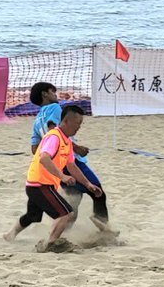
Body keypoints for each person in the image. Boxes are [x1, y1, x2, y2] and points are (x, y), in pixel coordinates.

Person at [5, 105, 102, 250]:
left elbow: (72, 166)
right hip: (39, 184)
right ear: (67, 121)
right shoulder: (54, 137)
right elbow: (44, 158)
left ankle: (9, 235)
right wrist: (62, 176)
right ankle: (50, 243)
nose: (79, 127)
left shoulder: (67, 141)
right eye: (77, 123)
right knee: (66, 213)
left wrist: (88, 184)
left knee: (32, 215)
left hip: (39, 184)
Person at [27, 82, 111, 231]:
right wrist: (76, 148)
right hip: (71, 161)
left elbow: (35, 149)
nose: (56, 95)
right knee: (98, 192)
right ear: (44, 94)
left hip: (58, 165)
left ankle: (63, 234)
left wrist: (50, 154)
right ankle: (104, 225)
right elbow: (55, 131)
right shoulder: (54, 108)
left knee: (73, 203)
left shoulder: (37, 119)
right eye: (53, 92)